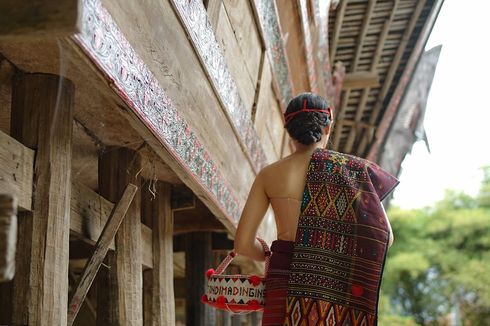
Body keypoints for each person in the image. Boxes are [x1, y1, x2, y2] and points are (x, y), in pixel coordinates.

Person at [234, 92, 399, 325]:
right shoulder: (354, 171)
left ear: (288, 129)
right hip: (333, 285)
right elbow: (386, 237)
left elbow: (242, 244)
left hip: (283, 279)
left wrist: (269, 255)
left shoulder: (269, 175)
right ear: (328, 127)